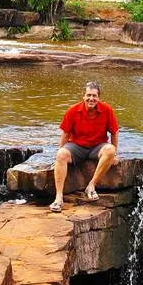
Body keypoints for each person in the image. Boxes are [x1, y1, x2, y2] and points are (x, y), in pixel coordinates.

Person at [49, 81, 119, 212]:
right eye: (88, 95)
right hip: (77, 146)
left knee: (110, 150)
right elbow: (65, 134)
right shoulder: (73, 111)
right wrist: (60, 156)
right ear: (83, 96)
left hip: (97, 147)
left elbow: (114, 132)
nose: (91, 99)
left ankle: (91, 185)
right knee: (61, 154)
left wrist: (115, 153)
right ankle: (58, 197)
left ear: (99, 98)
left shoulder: (107, 110)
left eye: (94, 96)